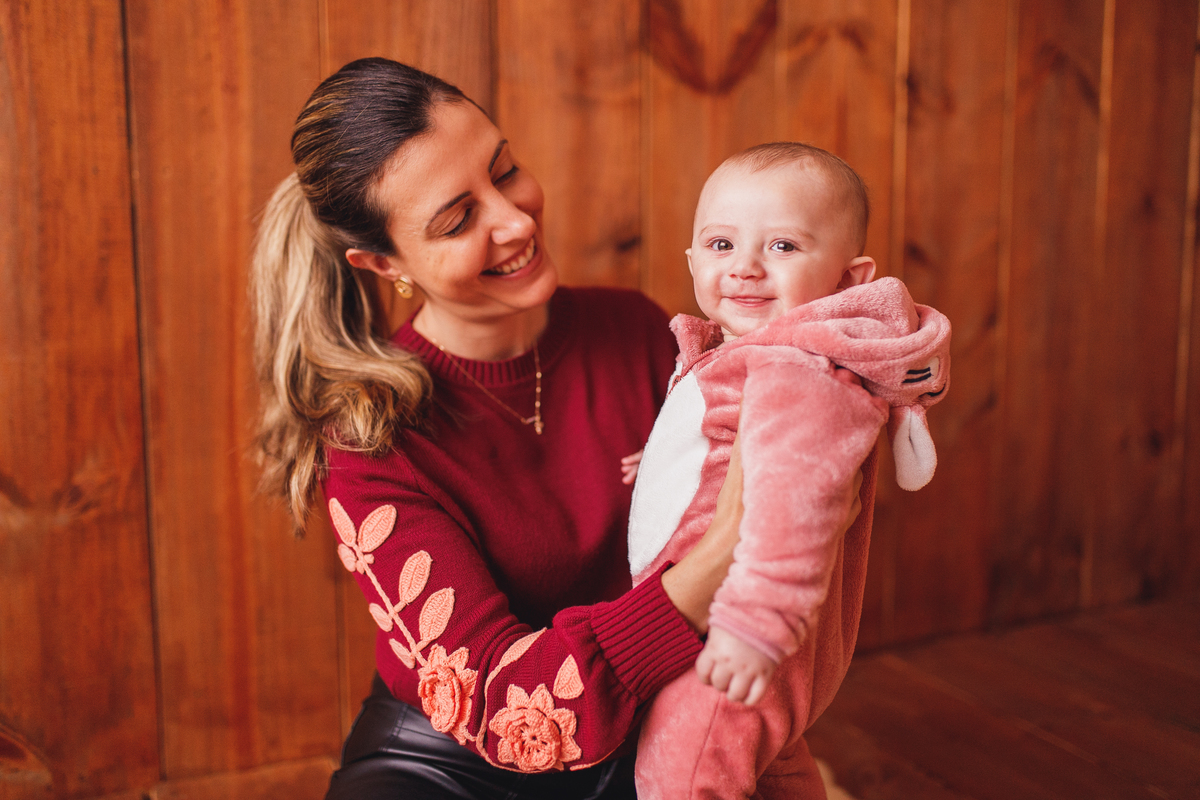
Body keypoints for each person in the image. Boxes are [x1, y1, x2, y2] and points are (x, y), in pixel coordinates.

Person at [250, 57, 777, 800]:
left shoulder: (637, 331)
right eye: (458, 219)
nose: (517, 220)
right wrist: (721, 556)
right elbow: (503, 703)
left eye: (505, 170)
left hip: (656, 725)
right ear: (384, 263)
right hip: (458, 756)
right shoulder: (369, 443)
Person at [624, 143, 952, 799]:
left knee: (680, 776)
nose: (744, 266)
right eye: (721, 244)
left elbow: (795, 505)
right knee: (771, 769)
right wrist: (670, 460)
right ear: (692, 259)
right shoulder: (748, 351)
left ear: (848, 279)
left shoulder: (796, 370)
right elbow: (732, 445)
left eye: (782, 246)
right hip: (733, 628)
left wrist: (755, 626)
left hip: (735, 632)